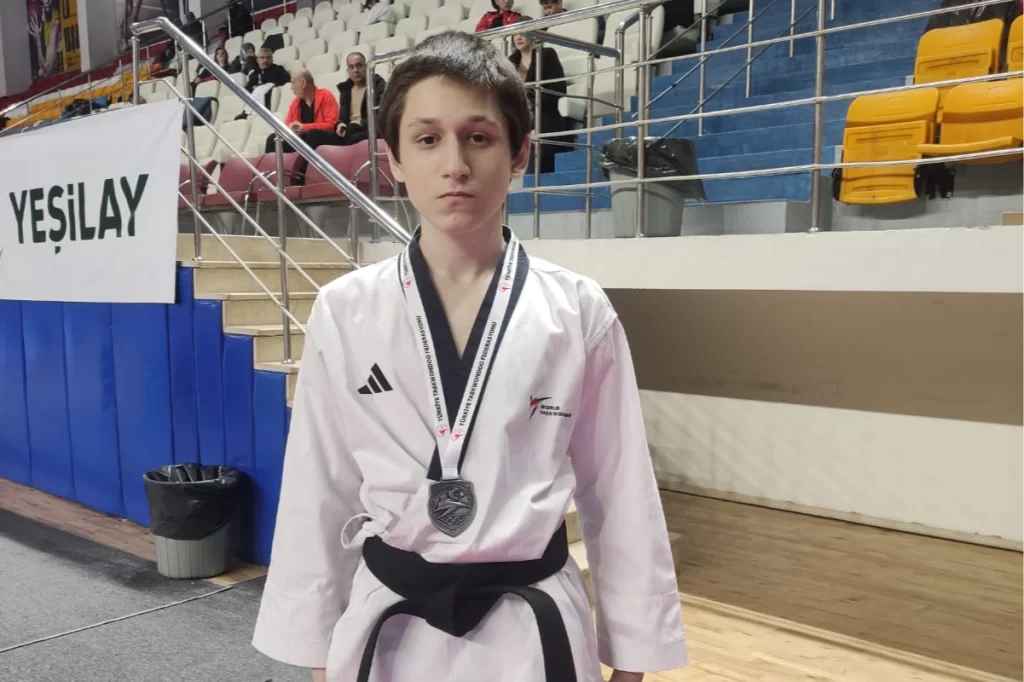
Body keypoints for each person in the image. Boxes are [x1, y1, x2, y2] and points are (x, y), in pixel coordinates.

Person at [251, 29, 687, 682]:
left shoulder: (577, 311)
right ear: (394, 159)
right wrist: (317, 650)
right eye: (427, 139)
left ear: (519, 154)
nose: (454, 164)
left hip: (534, 632)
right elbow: (321, 485)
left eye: (478, 137)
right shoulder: (345, 310)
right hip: (389, 627)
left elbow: (620, 488)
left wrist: (633, 654)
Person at [509, 16, 568, 174]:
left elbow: (559, 88)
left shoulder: (546, 55)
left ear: (533, 34)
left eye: (522, 32)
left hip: (543, 112)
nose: (518, 37)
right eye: (515, 34)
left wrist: (531, 102)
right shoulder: (510, 62)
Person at [264, 69, 340, 153]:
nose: (291, 88)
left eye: (293, 83)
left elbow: (332, 125)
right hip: (303, 140)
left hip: (325, 138)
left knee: (313, 134)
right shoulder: (295, 104)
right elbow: (287, 128)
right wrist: (292, 130)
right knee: (272, 139)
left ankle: (303, 162)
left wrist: (304, 128)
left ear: (303, 83)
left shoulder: (326, 95)